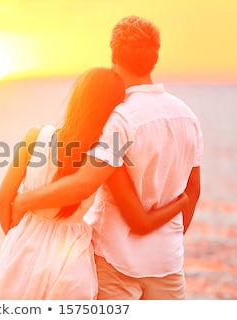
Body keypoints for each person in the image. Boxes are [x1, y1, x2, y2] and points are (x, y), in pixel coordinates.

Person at [11, 15, 203, 300]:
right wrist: (170, 240)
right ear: (154, 58)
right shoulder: (187, 116)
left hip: (116, 265)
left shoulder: (121, 119)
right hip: (167, 265)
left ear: (114, 57)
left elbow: (83, 184)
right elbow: (193, 189)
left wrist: (26, 200)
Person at [0, 67, 189, 300]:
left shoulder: (34, 137)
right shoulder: (103, 160)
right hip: (72, 258)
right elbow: (139, 219)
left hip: (24, 249)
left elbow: (1, 200)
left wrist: (17, 238)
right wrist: (181, 201)